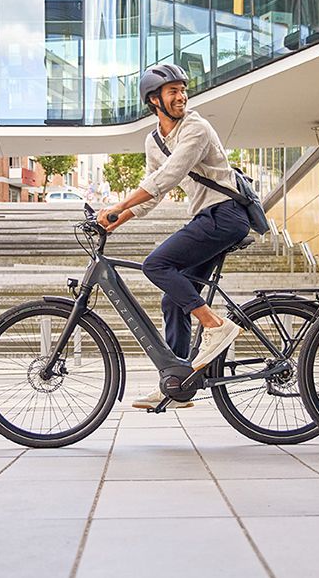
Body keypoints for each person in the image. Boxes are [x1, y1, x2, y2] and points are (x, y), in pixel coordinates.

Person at [98, 63, 249, 409]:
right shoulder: (153, 140)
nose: (181, 97)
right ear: (154, 100)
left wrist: (118, 205)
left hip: (225, 215)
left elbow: (169, 176)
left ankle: (216, 325)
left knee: (157, 265)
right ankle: (178, 382)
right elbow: (155, 193)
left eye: (183, 90)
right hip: (208, 218)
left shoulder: (196, 127)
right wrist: (116, 220)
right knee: (173, 301)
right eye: (173, 92)